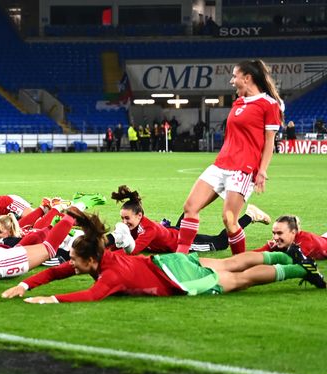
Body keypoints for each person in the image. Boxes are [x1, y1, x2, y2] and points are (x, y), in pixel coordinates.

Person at [1, 211, 325, 303]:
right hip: (169, 262)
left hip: (177, 278)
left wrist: (51, 300)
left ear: (90, 261)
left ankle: (296, 268)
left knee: (239, 279)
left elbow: (91, 294)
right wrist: (27, 286)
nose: (70, 264)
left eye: (74, 260)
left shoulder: (111, 276)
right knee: (228, 262)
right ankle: (284, 260)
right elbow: (57, 272)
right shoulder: (102, 258)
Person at [176, 59, 283, 255]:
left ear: (247, 78)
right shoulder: (238, 102)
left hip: (243, 169)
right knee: (190, 207)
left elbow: (269, 142)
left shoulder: (269, 105)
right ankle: (180, 257)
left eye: (235, 76)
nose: (232, 81)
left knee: (229, 219)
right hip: (220, 165)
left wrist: (262, 170)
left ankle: (239, 261)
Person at [110, 185, 270, 254]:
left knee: (220, 243)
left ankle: (250, 215)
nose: (124, 222)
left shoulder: (148, 230)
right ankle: (212, 193)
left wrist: (107, 250)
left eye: (127, 218)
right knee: (188, 214)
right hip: (172, 232)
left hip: (182, 241)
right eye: (122, 219)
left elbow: (133, 249)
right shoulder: (136, 226)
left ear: (139, 216)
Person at [254, 215, 327, 260]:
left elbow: (289, 260)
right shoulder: (279, 241)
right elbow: (256, 253)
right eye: (274, 233)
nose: (275, 237)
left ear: (293, 232)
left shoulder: (305, 242)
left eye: (279, 233)